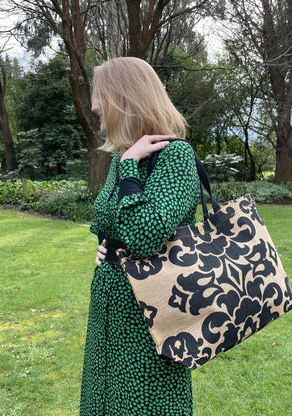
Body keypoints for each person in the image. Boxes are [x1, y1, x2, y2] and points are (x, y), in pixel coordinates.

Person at [80, 57, 200, 416]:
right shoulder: (122, 156)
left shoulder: (174, 157)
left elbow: (146, 235)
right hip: (111, 306)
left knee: (144, 403)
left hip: (150, 314)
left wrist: (131, 165)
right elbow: (109, 220)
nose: (93, 105)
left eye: (100, 95)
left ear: (124, 98)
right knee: (104, 398)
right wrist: (105, 247)